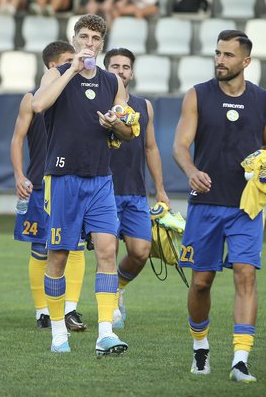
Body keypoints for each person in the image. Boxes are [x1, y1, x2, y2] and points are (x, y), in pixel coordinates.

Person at [172, 30, 266, 382]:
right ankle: (200, 349)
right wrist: (191, 171)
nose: (220, 60)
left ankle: (240, 360)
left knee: (245, 276)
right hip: (205, 204)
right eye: (218, 53)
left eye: (229, 55)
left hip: (246, 206)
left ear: (245, 61)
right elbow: (180, 146)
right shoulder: (197, 96)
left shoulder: (264, 101)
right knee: (201, 282)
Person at [31, 14, 133, 355]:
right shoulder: (57, 73)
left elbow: (128, 130)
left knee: (107, 250)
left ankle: (105, 331)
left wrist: (113, 123)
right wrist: (72, 69)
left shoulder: (112, 82)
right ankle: (58, 332)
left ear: (102, 44)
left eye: (94, 38)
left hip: (100, 178)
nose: (89, 43)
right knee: (58, 255)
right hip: (63, 178)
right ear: (74, 39)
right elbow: (38, 104)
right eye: (84, 36)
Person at [11, 41, 88, 331]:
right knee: (40, 248)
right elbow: (17, 139)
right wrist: (19, 175)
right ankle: (42, 310)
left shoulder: (81, 97)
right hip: (40, 184)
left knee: (76, 247)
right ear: (53, 67)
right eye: (69, 60)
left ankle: (70, 309)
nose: (76, 64)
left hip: (71, 182)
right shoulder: (32, 99)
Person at [103, 47, 169, 329]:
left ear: (132, 72)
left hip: (135, 192)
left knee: (141, 251)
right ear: (106, 70)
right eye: (115, 66)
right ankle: (107, 312)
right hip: (103, 190)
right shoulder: (94, 102)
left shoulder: (144, 106)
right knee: (108, 251)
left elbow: (151, 148)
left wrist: (161, 190)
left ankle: (117, 288)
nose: (120, 71)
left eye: (125, 67)